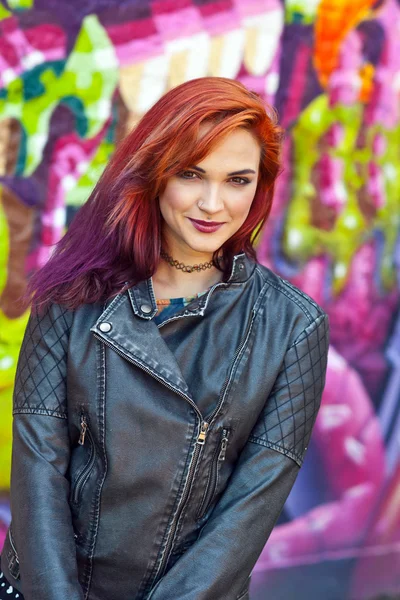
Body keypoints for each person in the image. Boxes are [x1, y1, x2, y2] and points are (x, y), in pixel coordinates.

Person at [0, 77, 329, 600]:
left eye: (237, 180)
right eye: (191, 174)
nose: (213, 203)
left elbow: (250, 506)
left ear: (260, 187)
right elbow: (39, 465)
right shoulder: (71, 292)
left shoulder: (292, 326)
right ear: (157, 172)